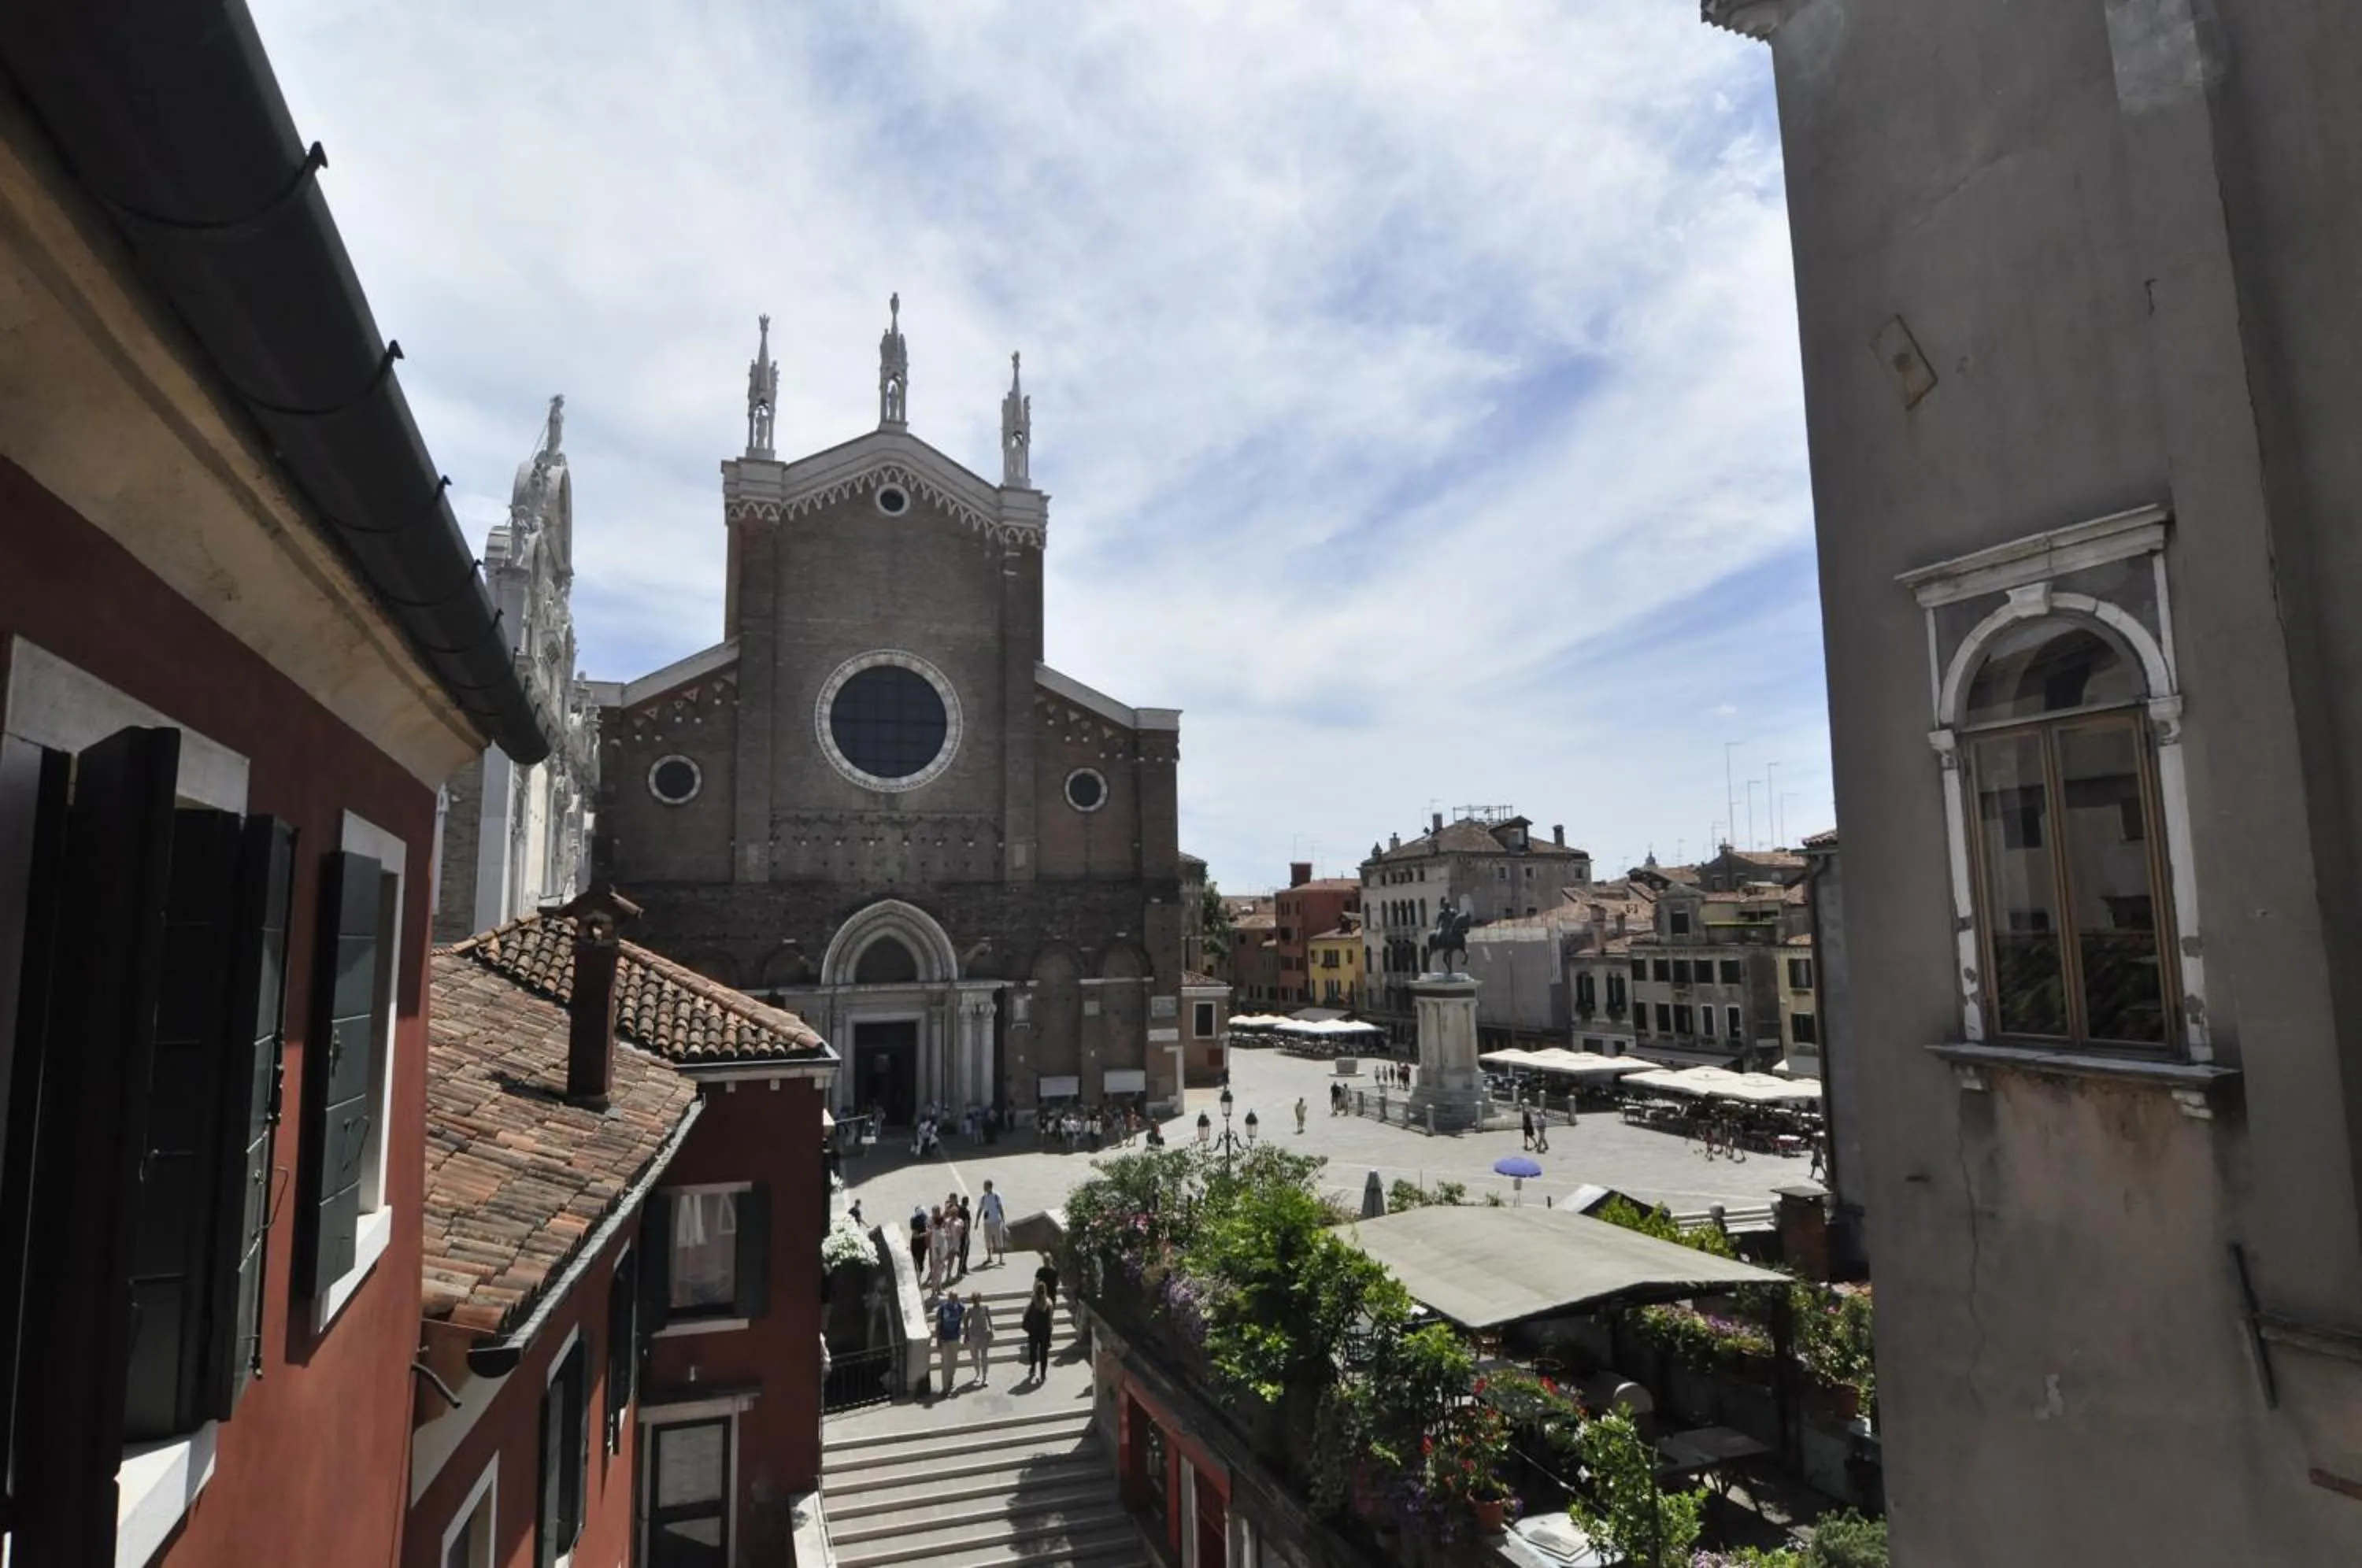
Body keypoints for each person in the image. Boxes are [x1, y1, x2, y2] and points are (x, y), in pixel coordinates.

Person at [934, 1292, 966, 1398]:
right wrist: (938, 1339)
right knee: (945, 1363)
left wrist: (966, 1333)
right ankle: (945, 1388)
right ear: (949, 1298)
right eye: (953, 1298)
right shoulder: (943, 1309)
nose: (954, 1300)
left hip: (955, 1339)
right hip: (945, 1339)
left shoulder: (960, 1307)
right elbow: (938, 1325)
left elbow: (964, 1318)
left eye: (956, 1298)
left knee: (954, 1362)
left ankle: (950, 1380)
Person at [1021, 1282, 1054, 1383]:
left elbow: (1025, 1314)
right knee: (1044, 1353)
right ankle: (1043, 1373)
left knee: (1033, 1350)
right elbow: (1050, 1318)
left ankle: (1033, 1367)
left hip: (1034, 1330)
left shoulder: (1032, 1302)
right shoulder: (1048, 1303)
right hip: (1045, 1331)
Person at [963, 1290, 995, 1386]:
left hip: (984, 1334)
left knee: (984, 1356)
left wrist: (991, 1329)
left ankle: (985, 1377)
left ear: (980, 1299)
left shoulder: (985, 1308)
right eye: (974, 1300)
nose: (975, 1302)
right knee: (975, 1356)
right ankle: (977, 1374)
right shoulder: (970, 1310)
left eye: (977, 1300)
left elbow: (989, 1319)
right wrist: (966, 1333)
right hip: (973, 1336)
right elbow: (965, 1321)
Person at [979, 1181, 1008, 1265]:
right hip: (987, 1222)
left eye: (985, 1186)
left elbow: (1000, 1207)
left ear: (990, 1187)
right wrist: (977, 1220)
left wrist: (1003, 1219)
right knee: (987, 1240)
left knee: (998, 1240)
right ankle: (989, 1257)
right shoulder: (983, 1197)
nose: (984, 1187)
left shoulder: (996, 1196)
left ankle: (1001, 1259)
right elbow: (980, 1209)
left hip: (996, 1221)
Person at [956, 1194, 975, 1278]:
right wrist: (967, 1233)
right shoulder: (966, 1211)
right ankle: (961, 1271)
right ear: (967, 1203)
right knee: (964, 1253)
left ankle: (963, 1269)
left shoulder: (958, 1210)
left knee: (962, 1253)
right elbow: (967, 1223)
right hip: (964, 1235)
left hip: (958, 1234)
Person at [909, 1206, 930, 1278]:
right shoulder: (918, 1220)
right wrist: (925, 1234)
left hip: (916, 1243)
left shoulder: (913, 1219)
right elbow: (915, 1235)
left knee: (917, 1261)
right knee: (919, 1261)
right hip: (919, 1244)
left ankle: (918, 1277)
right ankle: (918, 1277)